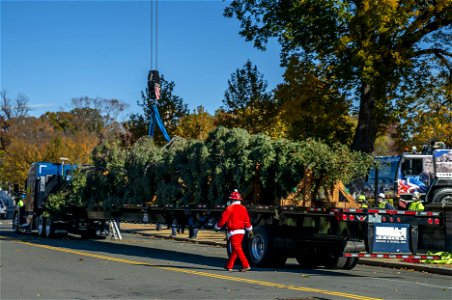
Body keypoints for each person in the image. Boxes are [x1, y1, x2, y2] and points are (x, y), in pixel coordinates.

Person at [215, 189, 253, 272]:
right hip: (241, 231)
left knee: (237, 248)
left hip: (233, 231)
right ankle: (229, 265)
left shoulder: (229, 208)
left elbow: (223, 220)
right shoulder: (243, 208)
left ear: (232, 200)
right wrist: (249, 229)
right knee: (236, 249)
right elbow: (247, 220)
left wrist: (217, 227)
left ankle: (246, 265)